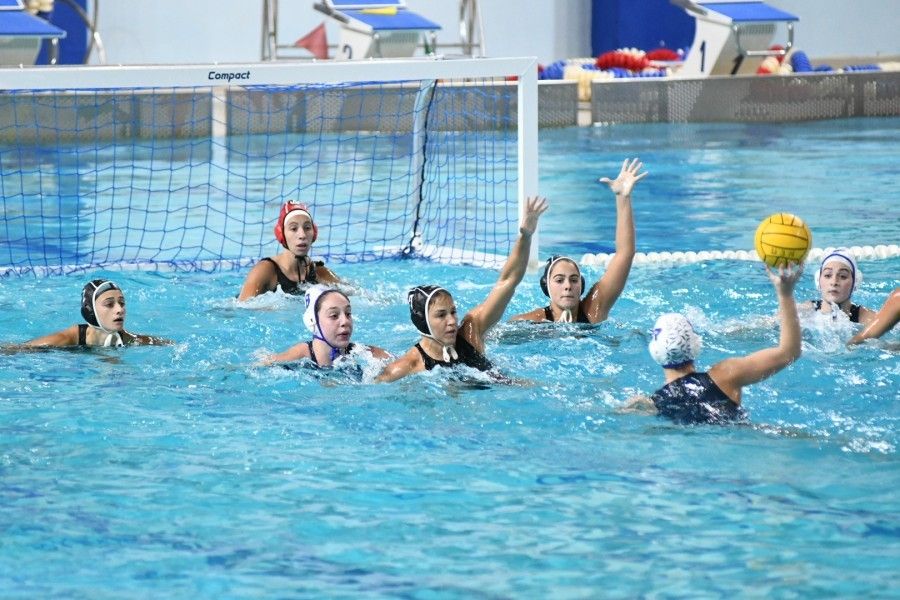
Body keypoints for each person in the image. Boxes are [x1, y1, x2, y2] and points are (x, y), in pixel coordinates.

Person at [376, 196, 549, 383]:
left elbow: (508, 281)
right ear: (423, 322)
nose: (452, 321)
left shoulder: (470, 332)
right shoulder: (407, 367)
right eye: (441, 315)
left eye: (453, 312)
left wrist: (525, 237)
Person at [624, 264, 803, 425]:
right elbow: (789, 352)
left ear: (655, 351)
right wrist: (785, 294)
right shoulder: (726, 374)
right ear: (696, 344)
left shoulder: (650, 405)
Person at [510, 158, 647, 324]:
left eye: (574, 280)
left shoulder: (593, 311)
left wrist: (622, 197)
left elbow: (625, 254)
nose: (568, 286)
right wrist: (525, 236)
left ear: (581, 285)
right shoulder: (530, 322)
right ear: (546, 286)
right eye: (559, 280)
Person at [260, 284, 389, 368]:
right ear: (313, 321)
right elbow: (260, 366)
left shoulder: (362, 353)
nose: (345, 321)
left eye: (348, 313)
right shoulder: (301, 354)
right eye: (334, 315)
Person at [19, 279, 170, 348]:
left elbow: (168, 344)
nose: (119, 309)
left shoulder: (130, 340)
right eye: (109, 304)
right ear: (89, 310)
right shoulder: (68, 338)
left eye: (122, 303)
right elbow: (19, 349)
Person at [238, 201, 339, 301]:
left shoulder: (319, 273)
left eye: (307, 228)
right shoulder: (265, 271)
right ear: (281, 233)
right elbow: (241, 307)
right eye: (294, 228)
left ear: (314, 233)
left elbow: (347, 295)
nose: (302, 235)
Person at [800, 248, 876, 327]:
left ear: (855, 283)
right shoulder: (804, 312)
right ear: (818, 280)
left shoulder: (869, 319)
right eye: (828, 275)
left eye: (843, 276)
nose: (834, 282)